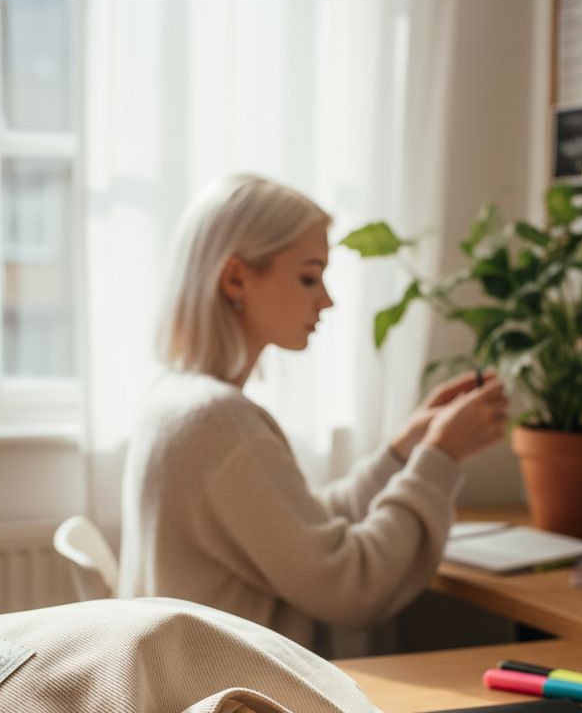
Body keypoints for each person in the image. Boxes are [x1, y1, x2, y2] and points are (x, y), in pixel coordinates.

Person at [118, 174, 509, 652]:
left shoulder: (175, 400)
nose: (326, 300)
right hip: (246, 695)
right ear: (236, 278)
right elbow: (353, 586)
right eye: (308, 277)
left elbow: (303, 531)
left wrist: (403, 450)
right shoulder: (217, 422)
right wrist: (441, 456)